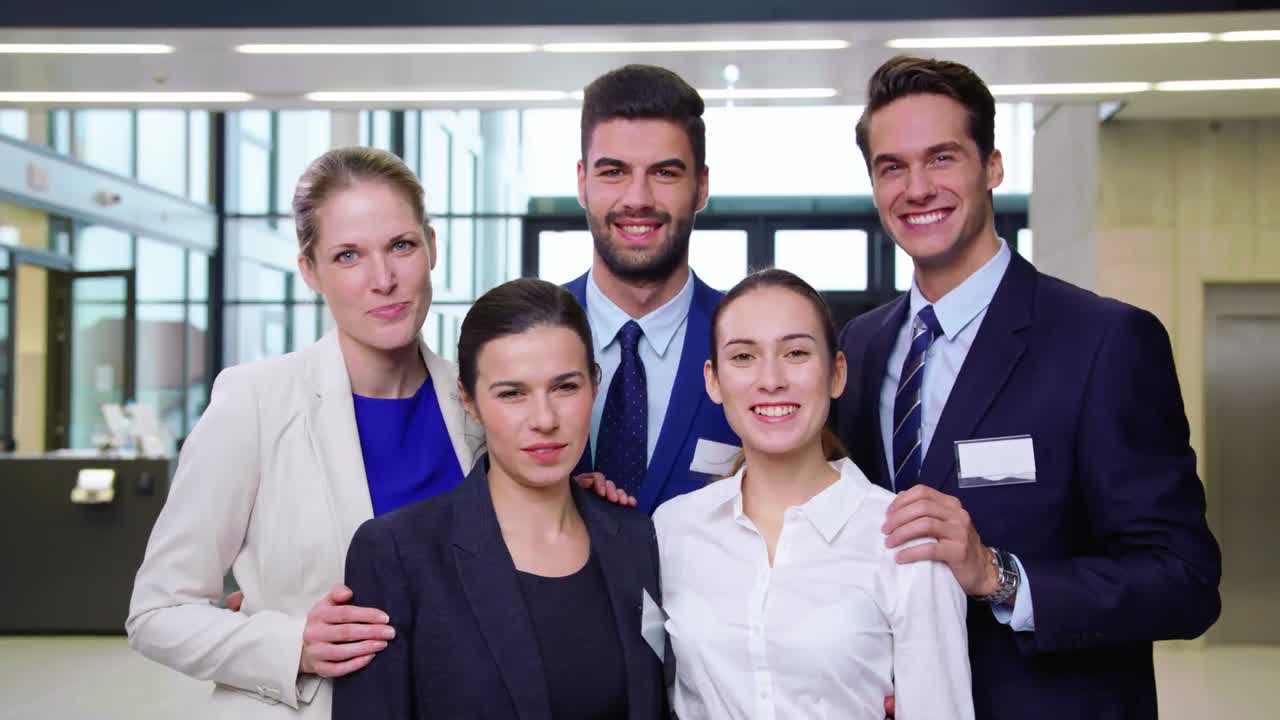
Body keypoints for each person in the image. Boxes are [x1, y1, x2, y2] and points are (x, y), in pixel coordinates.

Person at [834, 55, 1222, 719]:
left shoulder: (1104, 341)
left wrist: (999, 575)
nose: (917, 187)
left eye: (943, 157)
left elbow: (1184, 581)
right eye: (891, 167)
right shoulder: (860, 347)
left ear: (992, 166)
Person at [126, 147, 486, 719]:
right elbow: (156, 614)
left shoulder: (477, 403)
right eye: (348, 256)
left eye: (401, 245)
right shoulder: (256, 402)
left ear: (432, 247)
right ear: (311, 271)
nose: (384, 279)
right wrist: (293, 644)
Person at [333, 278, 667, 719]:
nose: (544, 419)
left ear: (594, 384)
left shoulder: (636, 538)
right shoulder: (399, 554)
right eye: (512, 394)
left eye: (565, 387)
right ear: (468, 400)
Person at [654, 269, 973, 719]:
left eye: (796, 352)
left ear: (836, 373)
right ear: (713, 380)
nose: (771, 380)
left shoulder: (905, 539)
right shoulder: (672, 529)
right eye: (743, 357)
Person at [566, 64, 739, 514]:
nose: (637, 198)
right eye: (613, 172)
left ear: (701, 186)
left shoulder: (750, 343)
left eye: (664, 172)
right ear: (582, 181)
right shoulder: (519, 336)